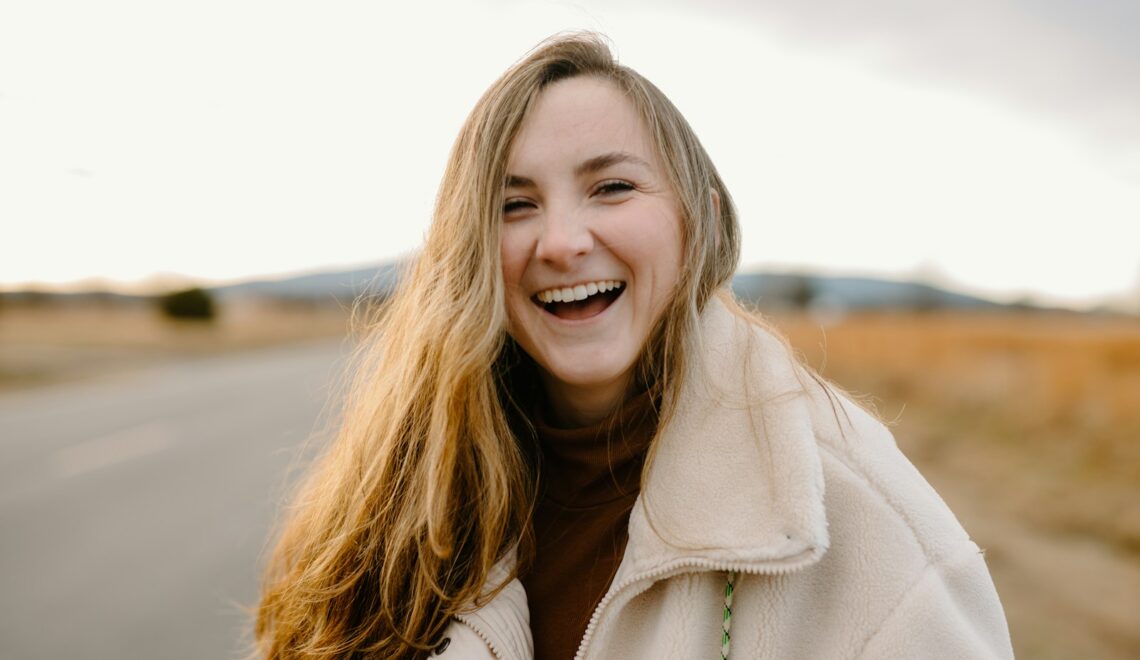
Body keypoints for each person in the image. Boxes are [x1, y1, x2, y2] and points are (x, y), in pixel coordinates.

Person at [254, 32, 1013, 659]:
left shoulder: (859, 523)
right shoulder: (402, 487)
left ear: (700, 223)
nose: (561, 242)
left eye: (612, 188)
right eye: (515, 205)